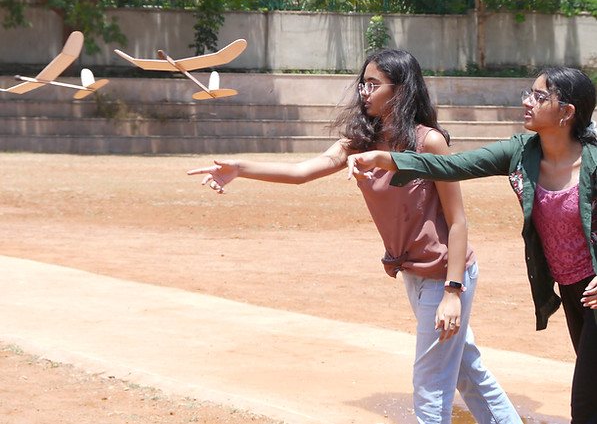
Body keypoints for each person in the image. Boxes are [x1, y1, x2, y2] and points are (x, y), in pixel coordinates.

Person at [189, 49, 522, 424]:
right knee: (466, 371)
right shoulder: (361, 141)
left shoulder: (428, 143)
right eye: (362, 83)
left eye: (373, 84)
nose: (364, 91)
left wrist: (452, 292)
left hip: (446, 274)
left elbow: (458, 221)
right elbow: (301, 172)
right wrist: (240, 169)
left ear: (400, 90)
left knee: (431, 386)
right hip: (413, 273)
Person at [347, 66, 597, 424]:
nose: (527, 101)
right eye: (529, 92)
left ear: (567, 112)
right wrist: (388, 158)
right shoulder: (522, 151)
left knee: (586, 407)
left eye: (540, 96)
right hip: (574, 290)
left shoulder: (594, 160)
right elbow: (454, 166)